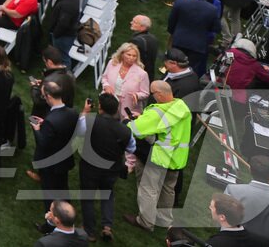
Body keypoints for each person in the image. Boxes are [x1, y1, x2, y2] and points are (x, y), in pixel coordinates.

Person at [123, 81, 192, 236]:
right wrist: (144, 118)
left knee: (148, 190)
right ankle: (165, 219)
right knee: (168, 189)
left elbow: (136, 130)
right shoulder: (181, 106)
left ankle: (146, 222)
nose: (152, 96)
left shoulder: (158, 112)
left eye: (152, 93)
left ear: (160, 94)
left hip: (159, 158)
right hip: (177, 159)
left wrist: (129, 121)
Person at [77, 93, 133, 242]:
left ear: (100, 107)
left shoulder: (91, 120)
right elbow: (132, 148)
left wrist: (85, 112)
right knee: (107, 194)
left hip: (90, 167)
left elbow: (79, 132)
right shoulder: (125, 130)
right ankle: (107, 227)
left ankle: (89, 231)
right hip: (112, 169)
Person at [31, 79, 78, 203]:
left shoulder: (51, 120)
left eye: (43, 96)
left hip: (51, 164)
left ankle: (51, 216)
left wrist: (37, 129)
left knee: (49, 193)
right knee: (63, 188)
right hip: (64, 159)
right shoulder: (73, 112)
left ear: (49, 97)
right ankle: (67, 210)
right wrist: (45, 124)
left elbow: (43, 143)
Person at [169, 0, 222, 73]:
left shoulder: (180, 1)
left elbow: (172, 21)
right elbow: (217, 28)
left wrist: (174, 33)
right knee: (188, 71)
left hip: (179, 41)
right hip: (198, 46)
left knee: (173, 67)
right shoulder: (213, 9)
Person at [100, 42, 150, 118]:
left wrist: (137, 95)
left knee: (124, 124)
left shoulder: (142, 74)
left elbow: (145, 93)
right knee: (105, 121)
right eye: (129, 55)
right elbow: (104, 77)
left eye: (134, 56)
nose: (131, 58)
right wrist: (106, 86)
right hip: (110, 102)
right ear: (122, 54)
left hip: (128, 107)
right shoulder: (112, 63)